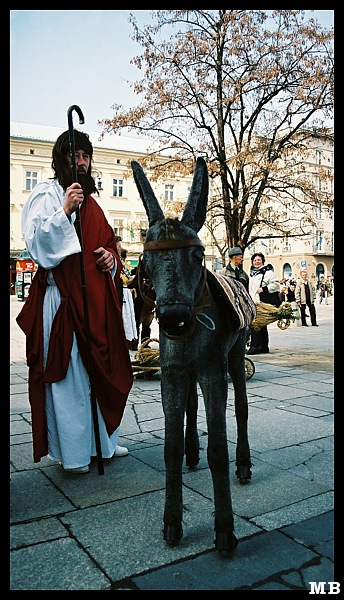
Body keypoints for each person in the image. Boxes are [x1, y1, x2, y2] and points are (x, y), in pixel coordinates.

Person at [16, 129, 134, 473]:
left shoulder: (93, 203)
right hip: (63, 303)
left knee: (96, 372)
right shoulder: (46, 195)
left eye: (85, 156)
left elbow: (110, 243)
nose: (80, 162)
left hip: (93, 304)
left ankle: (104, 443)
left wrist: (111, 259)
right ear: (61, 159)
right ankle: (74, 454)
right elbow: (38, 246)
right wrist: (65, 210)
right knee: (69, 381)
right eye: (74, 155)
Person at [247, 252, 280, 354]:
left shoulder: (267, 272)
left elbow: (276, 284)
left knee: (255, 324)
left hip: (261, 302)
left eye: (259, 260)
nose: (257, 262)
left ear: (262, 261)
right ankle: (264, 346)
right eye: (255, 260)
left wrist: (264, 289)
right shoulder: (253, 273)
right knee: (261, 325)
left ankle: (255, 346)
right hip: (253, 301)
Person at [116, 239, 138, 350]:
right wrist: (132, 279)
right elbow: (123, 279)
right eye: (118, 246)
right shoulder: (116, 261)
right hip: (121, 291)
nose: (120, 248)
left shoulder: (122, 262)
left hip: (126, 291)